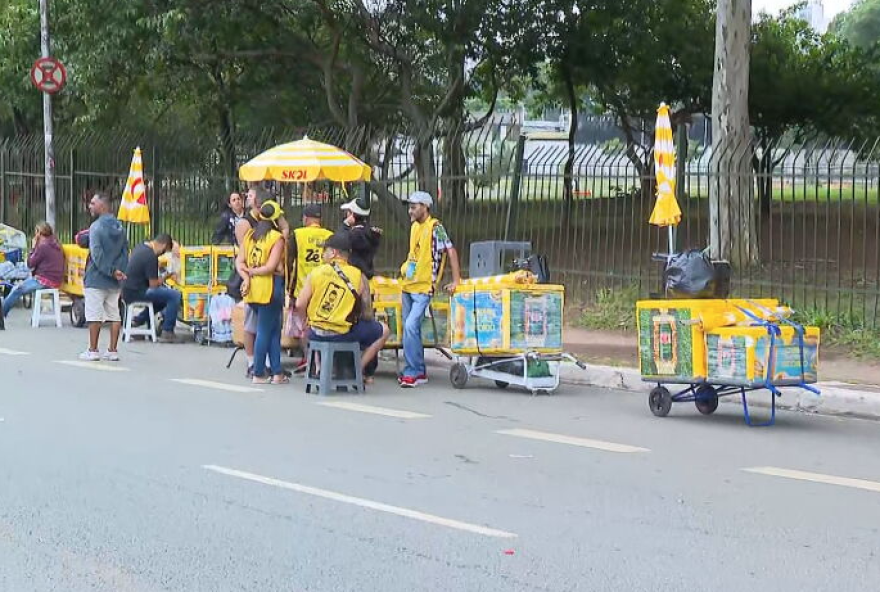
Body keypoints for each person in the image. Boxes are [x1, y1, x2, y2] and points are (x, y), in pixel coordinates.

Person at [296, 232, 389, 384]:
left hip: (316, 333)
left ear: (333, 252)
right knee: (384, 331)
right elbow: (366, 312)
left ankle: (319, 369)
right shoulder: (358, 276)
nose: (322, 254)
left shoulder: (317, 272)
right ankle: (357, 370)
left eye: (325, 250)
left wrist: (304, 321)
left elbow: (300, 304)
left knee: (306, 331)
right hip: (342, 334)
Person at [398, 191, 461, 388]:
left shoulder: (435, 227)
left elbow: (450, 250)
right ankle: (415, 370)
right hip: (409, 285)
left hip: (424, 288)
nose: (411, 210)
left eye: (414, 206)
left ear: (425, 207)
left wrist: (457, 280)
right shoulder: (414, 227)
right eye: (410, 206)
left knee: (410, 326)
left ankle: (414, 370)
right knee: (410, 329)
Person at [235, 186, 291, 377]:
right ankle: (258, 372)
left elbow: (239, 261)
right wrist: (256, 271)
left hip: (253, 289)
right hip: (270, 287)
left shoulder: (250, 235)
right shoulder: (277, 238)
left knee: (273, 331)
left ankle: (276, 371)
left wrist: (247, 275)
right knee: (265, 331)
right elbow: (271, 266)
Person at [80, 193, 129, 362]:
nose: (90, 206)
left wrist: (110, 270)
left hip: (96, 277)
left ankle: (93, 350)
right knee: (114, 314)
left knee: (94, 315)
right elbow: (125, 252)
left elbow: (97, 254)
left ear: (102, 206)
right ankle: (112, 350)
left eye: (93, 203)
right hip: (115, 281)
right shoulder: (121, 227)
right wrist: (119, 271)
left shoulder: (96, 227)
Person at [289, 204, 333, 370]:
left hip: (302, 287)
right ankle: (320, 359)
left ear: (305, 218)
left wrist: (289, 288)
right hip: (324, 287)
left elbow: (289, 262)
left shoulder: (298, 234)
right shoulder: (330, 235)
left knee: (304, 324)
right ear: (320, 219)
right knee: (321, 323)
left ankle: (308, 357)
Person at [122, 233, 182, 343]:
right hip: (138, 292)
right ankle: (167, 331)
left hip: (127, 290)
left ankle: (138, 320)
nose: (162, 254)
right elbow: (153, 285)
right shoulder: (151, 256)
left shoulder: (140, 247)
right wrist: (166, 276)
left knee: (162, 300)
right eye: (165, 251)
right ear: (163, 246)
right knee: (174, 295)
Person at [1, 222, 64, 318]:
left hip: (44, 280)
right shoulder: (55, 243)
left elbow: (30, 264)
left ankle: (1, 314)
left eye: (36, 232)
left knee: (16, 289)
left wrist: (33, 247)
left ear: (39, 233)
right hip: (55, 280)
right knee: (19, 286)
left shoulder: (43, 246)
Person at [339, 196, 382, 279]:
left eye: (348, 211)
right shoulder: (369, 231)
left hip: (355, 276)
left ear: (352, 214)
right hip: (366, 274)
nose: (346, 214)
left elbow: (338, 241)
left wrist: (345, 225)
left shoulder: (356, 234)